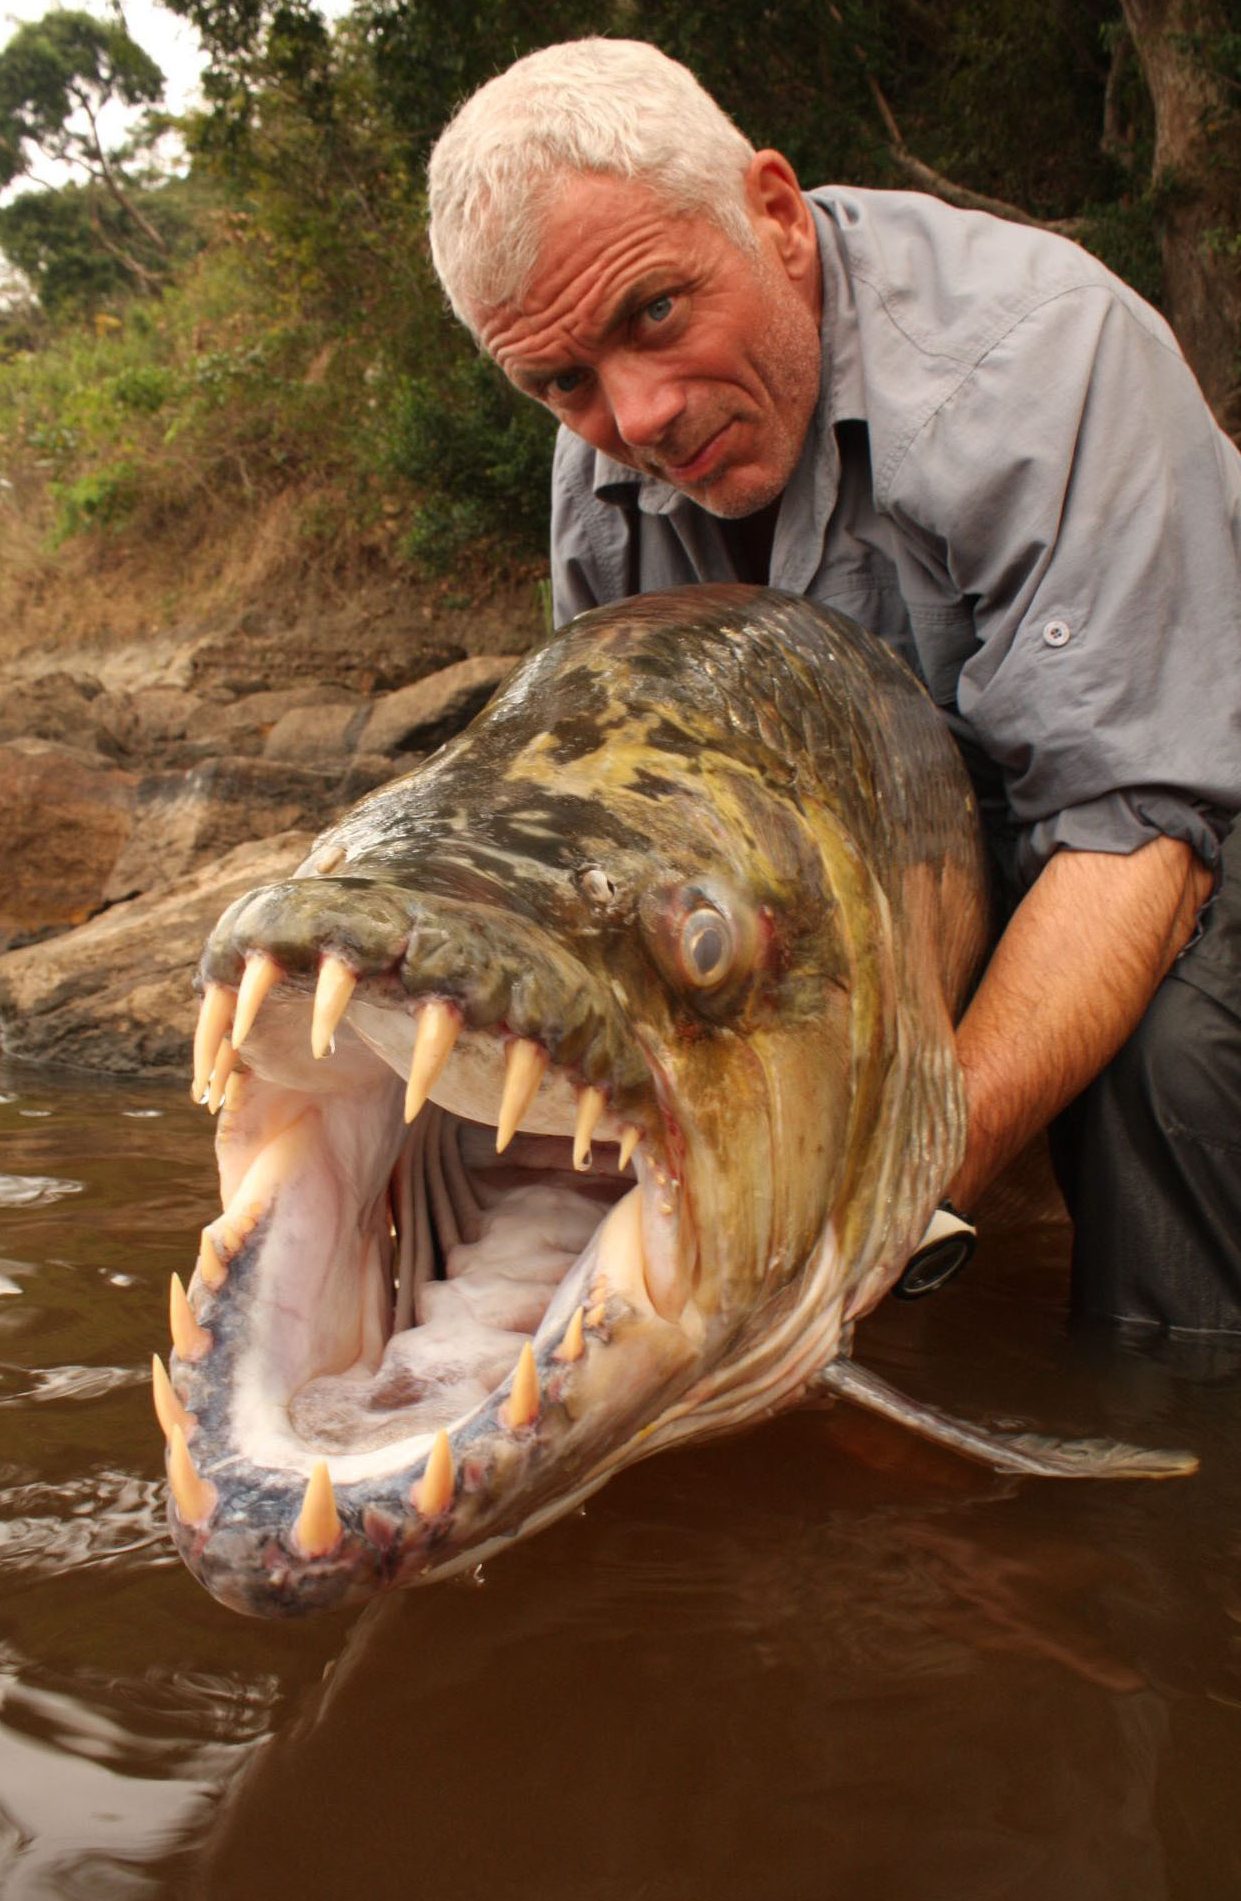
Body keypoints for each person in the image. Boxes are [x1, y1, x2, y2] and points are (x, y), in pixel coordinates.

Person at [427, 37, 1241, 1334]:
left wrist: (878, 1203)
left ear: (772, 213)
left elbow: (1130, 828)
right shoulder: (597, 487)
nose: (633, 419)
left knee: (1168, 1068)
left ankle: (1173, 1478)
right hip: (934, 831)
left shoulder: (1039, 356)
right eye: (560, 382)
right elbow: (647, 842)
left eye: (654, 313)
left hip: (1183, 775)